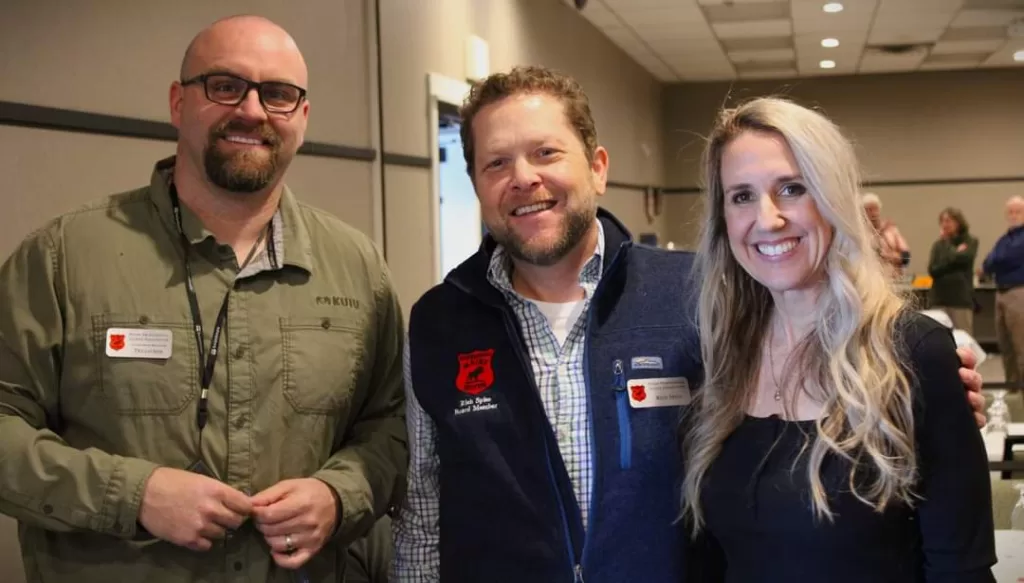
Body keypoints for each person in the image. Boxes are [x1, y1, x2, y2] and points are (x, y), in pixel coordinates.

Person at [390, 66, 987, 583]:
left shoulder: (693, 295)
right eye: (497, 162)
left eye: (546, 152)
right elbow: (423, 507)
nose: (523, 177)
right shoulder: (442, 322)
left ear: (598, 167)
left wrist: (929, 377)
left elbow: (829, 324)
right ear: (476, 184)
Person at [0, 15, 406, 583]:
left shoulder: (358, 268)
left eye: (278, 94)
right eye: (225, 86)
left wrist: (338, 495)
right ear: (177, 103)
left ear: (303, 116)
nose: (252, 110)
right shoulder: (63, 257)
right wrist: (134, 495)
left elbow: (391, 426)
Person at [681, 97, 996, 582]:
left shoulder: (915, 353)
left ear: (833, 198)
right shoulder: (718, 358)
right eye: (741, 195)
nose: (767, 219)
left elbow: (961, 569)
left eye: (791, 188)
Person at [980, 195, 1024, 391]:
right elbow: (988, 263)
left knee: (1021, 347)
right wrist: (997, 260)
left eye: (1018, 211)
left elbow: (1006, 257)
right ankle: (1014, 393)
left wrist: (998, 260)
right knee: (1006, 349)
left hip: (1019, 293)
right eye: (1010, 212)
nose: (1013, 215)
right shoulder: (1004, 239)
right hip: (1001, 294)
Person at [928, 207, 979, 333]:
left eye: (949, 221)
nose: (945, 224)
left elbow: (965, 259)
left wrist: (949, 254)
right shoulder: (938, 245)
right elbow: (933, 270)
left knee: (963, 338)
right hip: (939, 299)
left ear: (958, 222)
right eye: (943, 221)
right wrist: (954, 253)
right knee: (939, 338)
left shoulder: (970, 241)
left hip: (960, 299)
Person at [862, 193, 910, 279]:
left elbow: (906, 258)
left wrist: (890, 257)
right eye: (869, 210)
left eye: (875, 209)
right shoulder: (860, 233)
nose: (873, 213)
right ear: (863, 213)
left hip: (893, 279)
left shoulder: (891, 230)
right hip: (870, 280)